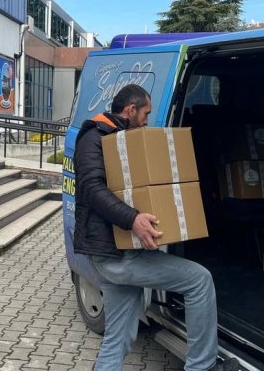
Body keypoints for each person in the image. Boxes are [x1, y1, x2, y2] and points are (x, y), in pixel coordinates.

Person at [73, 84, 239, 371]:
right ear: (131, 109)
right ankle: (202, 366)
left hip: (116, 252)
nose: (147, 121)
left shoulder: (122, 139)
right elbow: (92, 189)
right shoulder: (94, 137)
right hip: (115, 255)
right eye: (146, 114)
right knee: (199, 280)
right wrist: (133, 219)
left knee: (118, 338)